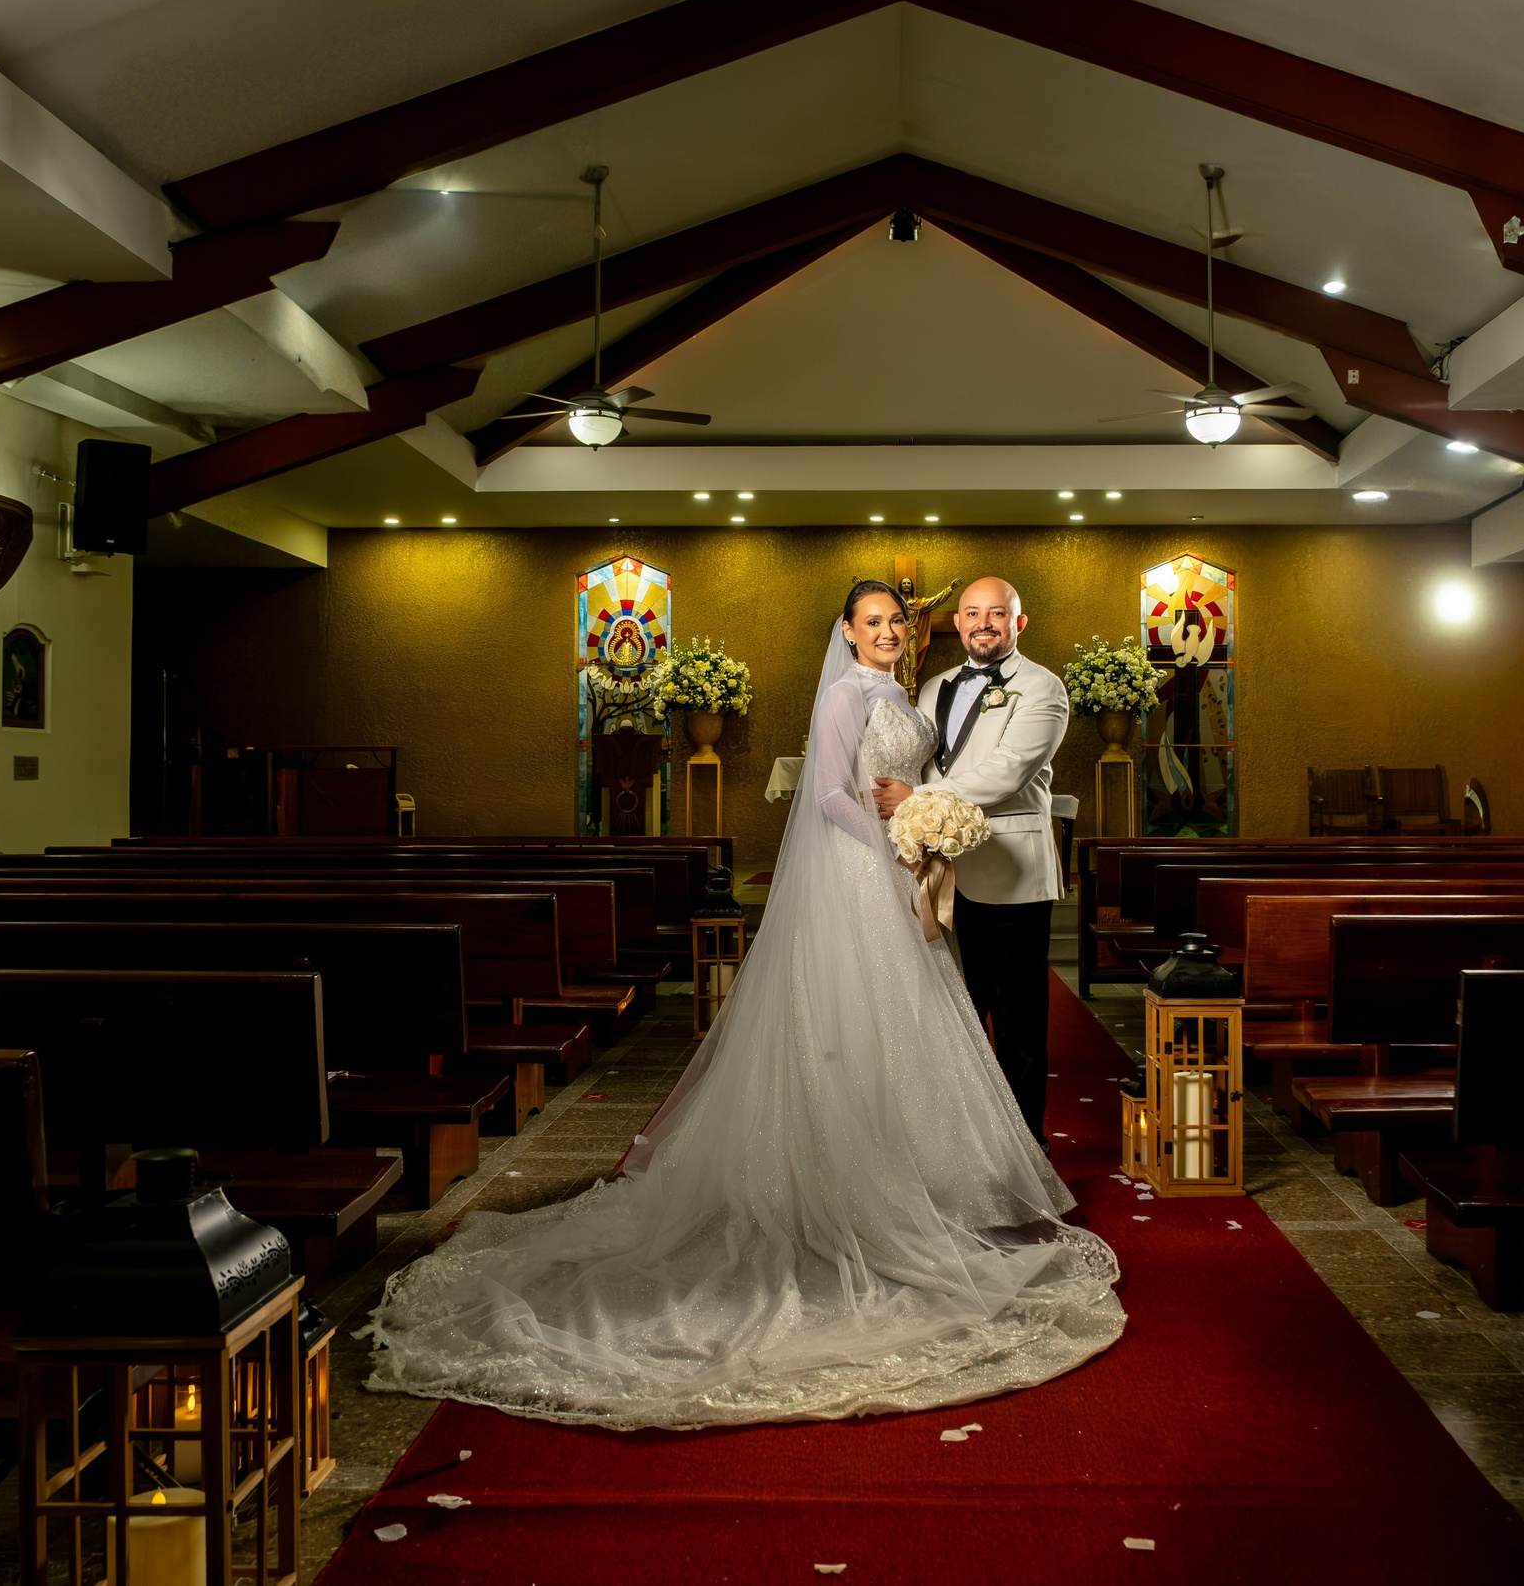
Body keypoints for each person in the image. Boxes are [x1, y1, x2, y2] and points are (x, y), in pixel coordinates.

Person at [362, 581, 1122, 1430]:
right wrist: (892, 841)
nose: (890, 630)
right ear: (848, 630)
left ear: (1003, 623)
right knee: (878, 1025)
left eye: (897, 621)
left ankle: (969, 1172)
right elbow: (834, 792)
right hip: (885, 869)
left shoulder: (993, 687)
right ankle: (863, 1181)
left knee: (968, 1029)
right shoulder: (867, 691)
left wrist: (913, 825)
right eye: (874, 621)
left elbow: (974, 773)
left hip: (960, 868)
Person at [874, 578, 1069, 1143]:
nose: (984, 623)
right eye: (973, 613)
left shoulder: (1043, 688)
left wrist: (917, 801)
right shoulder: (934, 686)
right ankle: (967, 1148)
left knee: (1018, 1028)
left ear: (1019, 622)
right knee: (955, 1019)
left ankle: (1028, 1154)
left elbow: (1008, 771)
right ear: (956, 623)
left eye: (997, 613)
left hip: (1012, 879)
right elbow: (921, 761)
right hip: (943, 875)